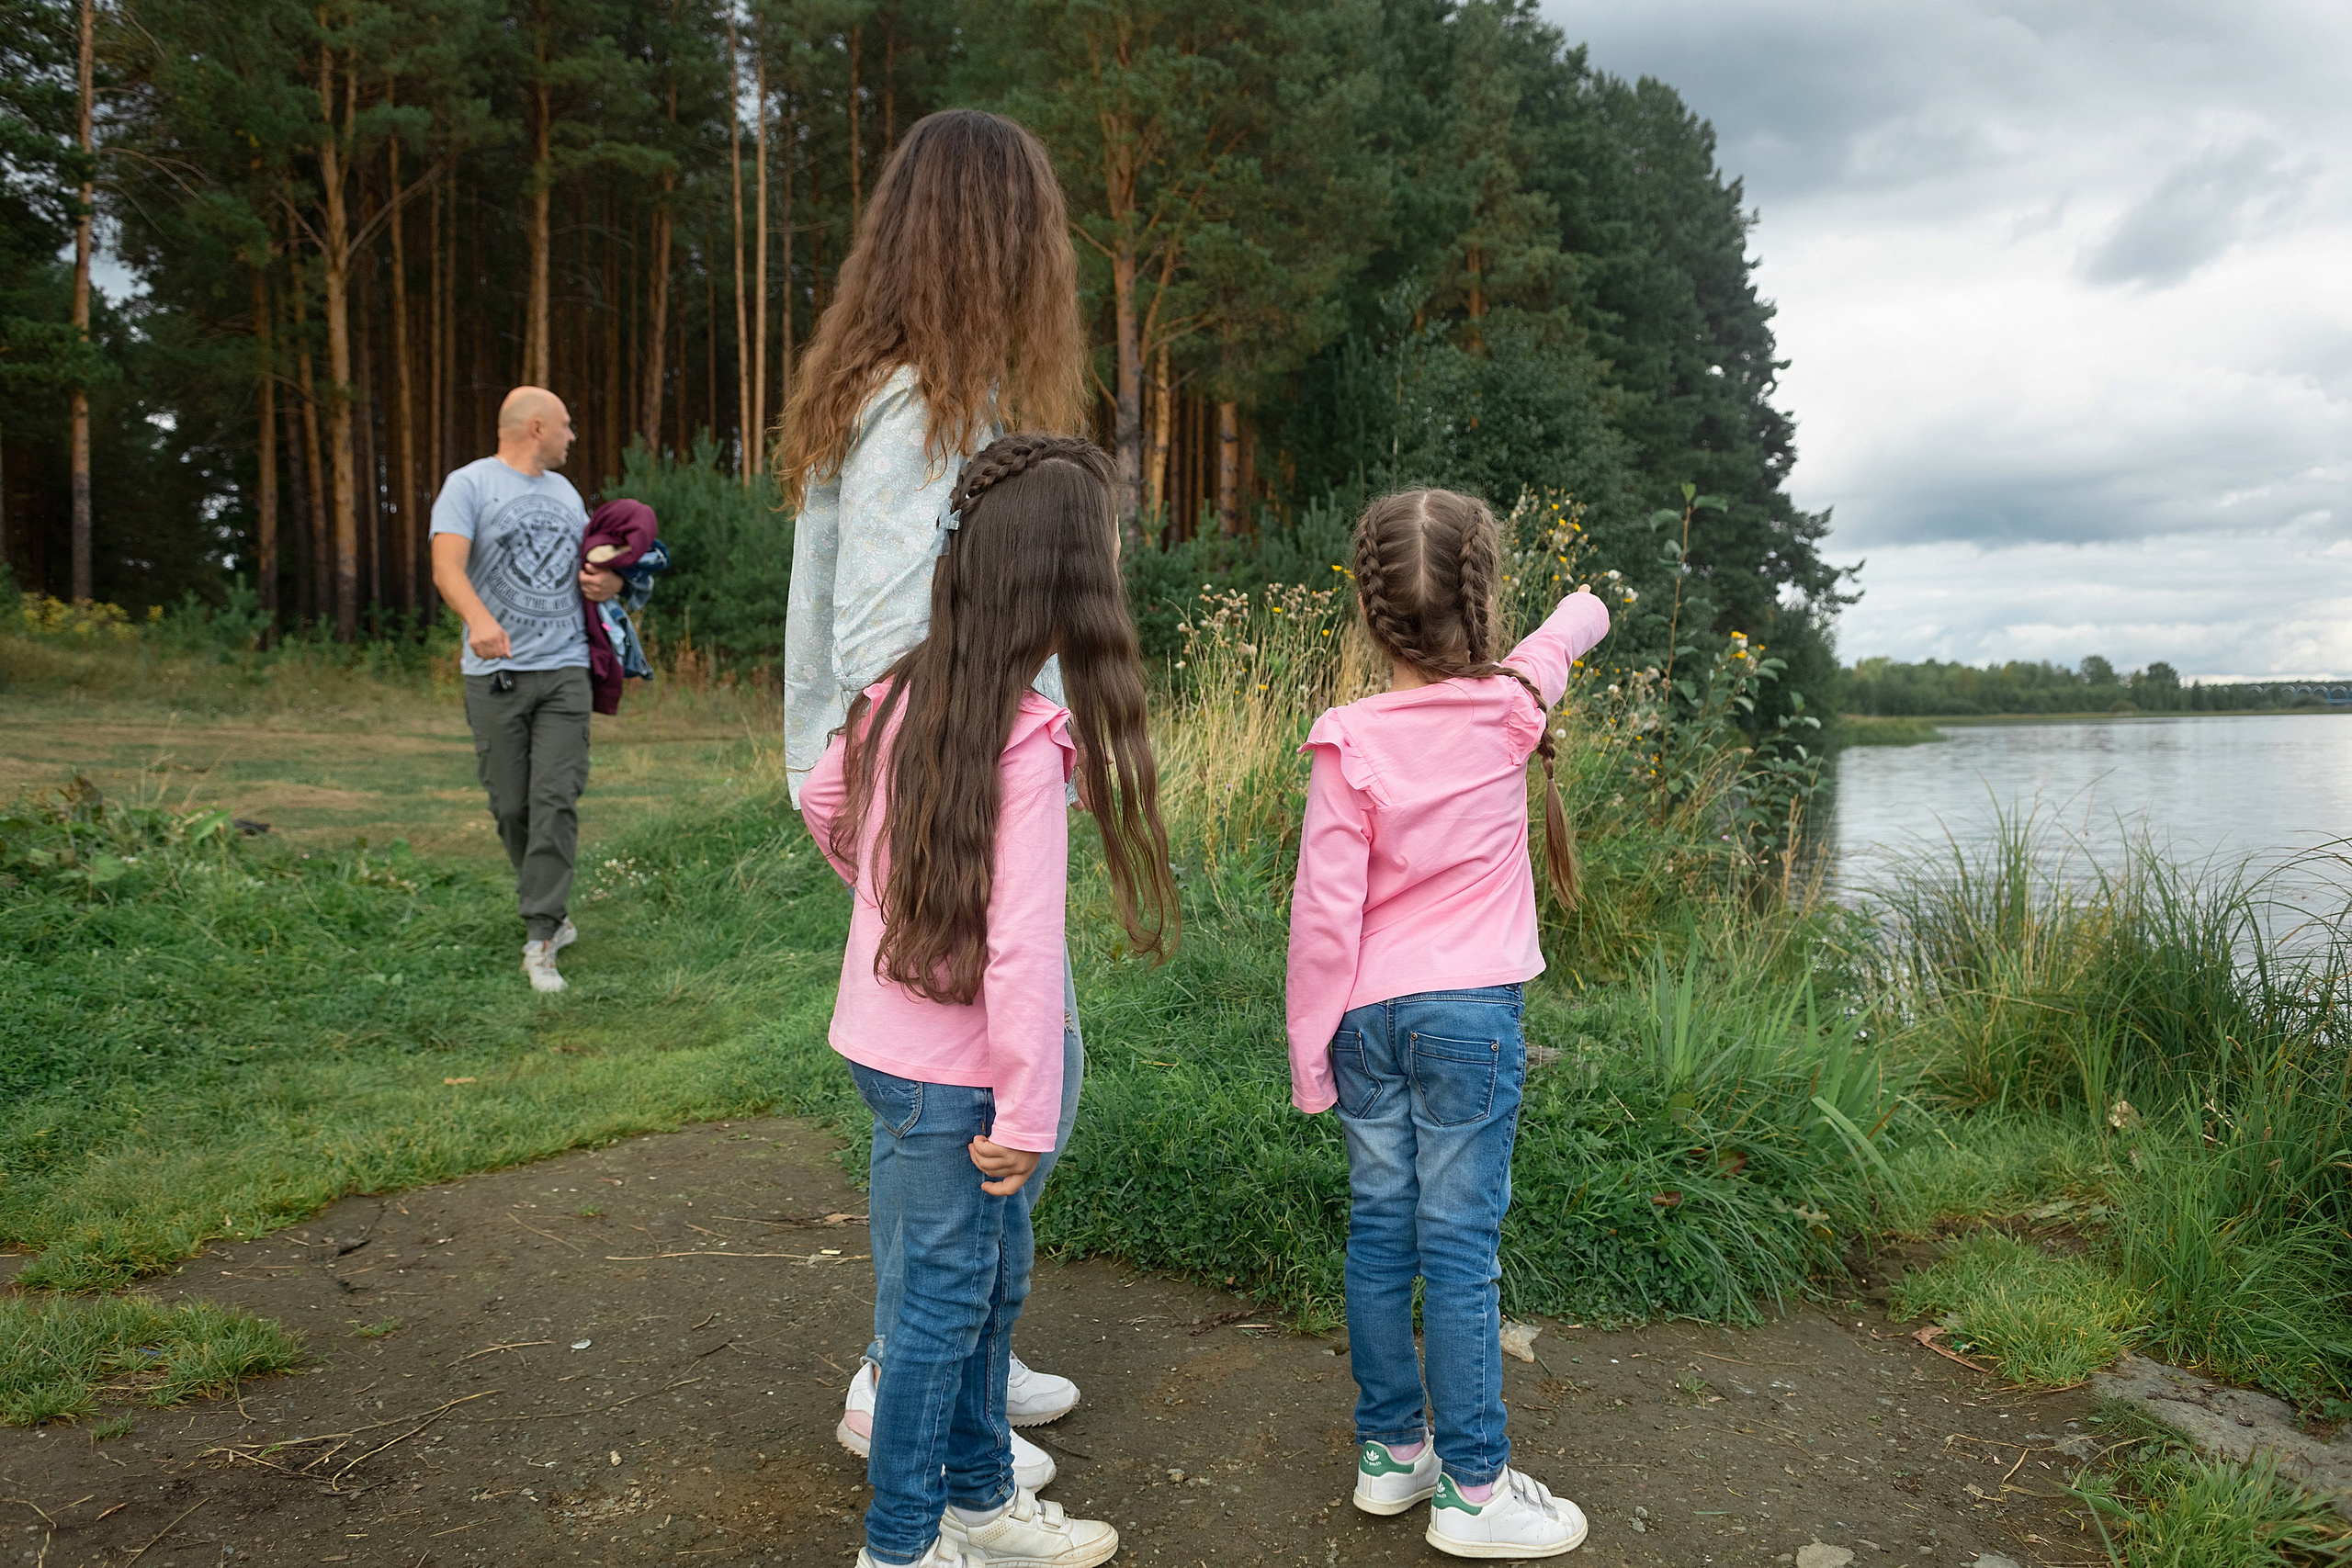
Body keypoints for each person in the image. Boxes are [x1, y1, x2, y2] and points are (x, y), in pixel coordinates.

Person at [777, 107, 1092, 1485]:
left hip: (922, 789)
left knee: (996, 1087)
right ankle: (900, 1370)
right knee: (980, 1099)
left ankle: (962, 1352)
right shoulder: (925, 405)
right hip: (955, 801)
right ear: (999, 237)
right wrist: (988, 781)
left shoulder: (895, 386)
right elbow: (898, 631)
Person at [799, 434, 1176, 1568]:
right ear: (1063, 587)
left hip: (888, 1051)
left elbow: (825, 801)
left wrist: (882, 891)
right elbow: (1020, 955)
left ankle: (976, 1500)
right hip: (962, 1087)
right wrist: (1023, 1114)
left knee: (973, 1289)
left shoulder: (895, 697)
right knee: (938, 1315)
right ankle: (905, 1545)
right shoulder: (1022, 743)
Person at [1284, 489, 1611, 1559]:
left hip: (1366, 1021)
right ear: (1481, 597)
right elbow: (1577, 621)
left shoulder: (1345, 738)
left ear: (1370, 614)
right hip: (1469, 1019)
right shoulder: (1513, 706)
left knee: (1381, 1233)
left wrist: (1308, 1052)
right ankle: (1473, 1489)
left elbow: (1323, 917)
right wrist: (1577, 607)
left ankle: (1391, 1455)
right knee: (1460, 1250)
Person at [429, 386, 622, 994]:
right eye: (566, 427)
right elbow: (446, 567)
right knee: (511, 806)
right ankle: (552, 905)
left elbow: (586, 569)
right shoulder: (469, 485)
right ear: (536, 426)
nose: (572, 438)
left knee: (555, 798)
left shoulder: (566, 494)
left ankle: (541, 935)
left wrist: (608, 582)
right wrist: (480, 620)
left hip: (566, 670)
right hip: (496, 675)